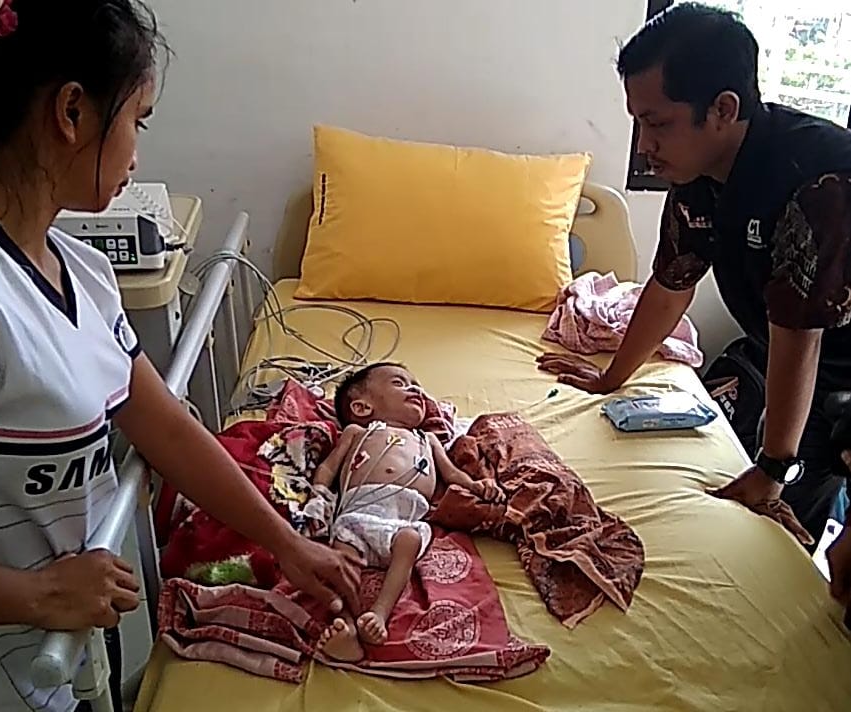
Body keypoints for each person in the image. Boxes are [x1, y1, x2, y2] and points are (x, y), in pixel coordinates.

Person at [0, 2, 359, 711]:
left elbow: (168, 430)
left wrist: (287, 543)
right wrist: (35, 595)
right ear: (71, 113)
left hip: (73, 659)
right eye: (137, 121)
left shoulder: (80, 271)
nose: (136, 154)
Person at [537, 2, 851, 620]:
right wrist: (610, 378)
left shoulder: (817, 181)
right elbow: (670, 284)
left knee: (830, 548)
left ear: (723, 109)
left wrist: (772, 466)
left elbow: (799, 335)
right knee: (794, 548)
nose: (645, 146)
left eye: (658, 123)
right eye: (637, 124)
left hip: (831, 362)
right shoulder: (699, 177)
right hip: (806, 367)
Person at [308, 363, 503, 662]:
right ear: (362, 407)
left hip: (403, 519)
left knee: (410, 541)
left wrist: (478, 486)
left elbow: (452, 475)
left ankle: (379, 614)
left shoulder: (427, 439)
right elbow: (328, 467)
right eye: (400, 383)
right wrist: (319, 494)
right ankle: (345, 626)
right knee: (340, 560)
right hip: (358, 514)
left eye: (417, 385)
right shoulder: (358, 432)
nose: (415, 389)